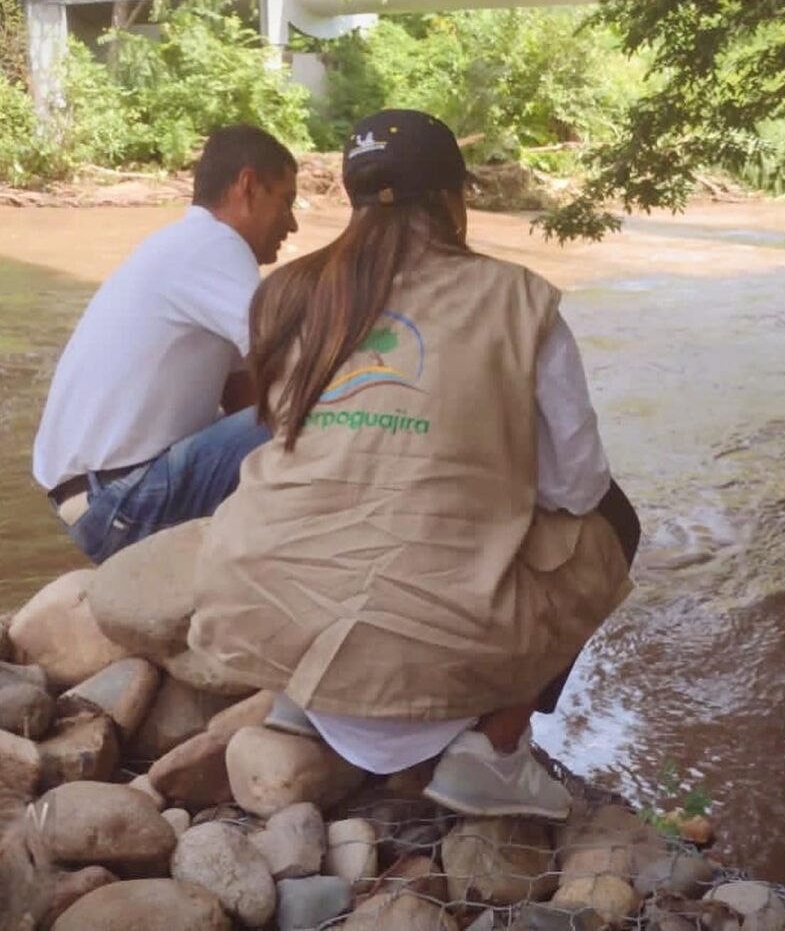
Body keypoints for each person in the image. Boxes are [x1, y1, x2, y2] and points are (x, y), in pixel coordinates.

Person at [164, 108, 637, 818]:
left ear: (352, 200)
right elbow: (578, 483)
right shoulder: (518, 298)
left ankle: (302, 698)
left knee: (328, 490)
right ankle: (497, 753)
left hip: (258, 613)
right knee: (614, 521)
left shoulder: (286, 292)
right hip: (439, 656)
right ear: (454, 199)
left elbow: (293, 433)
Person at [33, 124, 298, 565]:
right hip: (119, 499)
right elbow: (297, 369)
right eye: (285, 200)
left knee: (300, 414)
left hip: (93, 498)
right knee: (324, 410)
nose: (292, 222)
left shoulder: (185, 247)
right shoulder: (217, 246)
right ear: (247, 186)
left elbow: (246, 398)